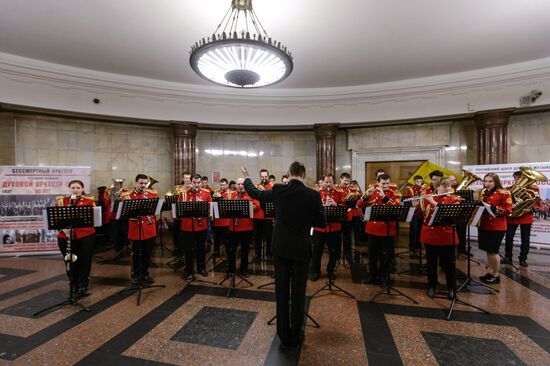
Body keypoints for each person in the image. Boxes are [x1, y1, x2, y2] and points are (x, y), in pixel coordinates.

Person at [243, 162, 326, 351]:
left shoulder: (278, 189)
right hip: (301, 249)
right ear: (304, 175)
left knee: (281, 291)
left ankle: (283, 334)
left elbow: (256, 193)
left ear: (289, 174)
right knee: (298, 292)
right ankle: (295, 335)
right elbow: (321, 221)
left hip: (280, 249)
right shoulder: (313, 195)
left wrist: (247, 177)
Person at [420, 178, 461, 298]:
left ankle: (451, 288)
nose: (447, 188)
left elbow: (449, 213)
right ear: (437, 187)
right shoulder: (428, 198)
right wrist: (415, 203)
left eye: (448, 186)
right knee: (431, 264)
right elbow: (420, 215)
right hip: (430, 235)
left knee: (449, 264)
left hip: (447, 235)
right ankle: (432, 286)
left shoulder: (454, 199)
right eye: (444, 186)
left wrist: (433, 202)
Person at [357, 173, 401, 284]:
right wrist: (366, 196)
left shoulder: (395, 194)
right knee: (372, 255)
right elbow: (359, 205)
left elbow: (396, 207)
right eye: (383, 183)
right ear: (378, 183)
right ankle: (372, 275)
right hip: (373, 229)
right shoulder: (372, 192)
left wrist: (384, 197)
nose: (386, 185)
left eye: (387, 183)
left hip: (387, 230)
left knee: (385, 256)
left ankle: (383, 276)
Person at [56, 180, 96, 295]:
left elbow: (93, 218)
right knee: (69, 260)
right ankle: (73, 283)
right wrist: (63, 229)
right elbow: (56, 218)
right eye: (73, 187)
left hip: (85, 234)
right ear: (69, 189)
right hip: (66, 235)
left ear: (82, 189)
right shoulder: (62, 201)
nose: (75, 190)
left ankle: (83, 284)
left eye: (78, 187)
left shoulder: (89, 201)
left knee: (84, 260)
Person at [121, 174, 158, 285]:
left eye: (145, 183)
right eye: (141, 183)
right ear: (136, 183)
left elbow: (156, 210)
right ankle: (136, 275)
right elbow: (123, 213)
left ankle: (145, 273)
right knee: (136, 253)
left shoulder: (152, 194)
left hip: (149, 227)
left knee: (147, 253)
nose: (143, 185)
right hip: (135, 227)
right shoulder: (127, 196)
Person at [478, 173, 512, 284]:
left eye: (490, 181)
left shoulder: (504, 192)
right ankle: (491, 272)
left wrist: (492, 208)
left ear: (496, 182)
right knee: (488, 251)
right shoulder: (483, 192)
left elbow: (508, 210)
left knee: (493, 251)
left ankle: (496, 275)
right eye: (485, 181)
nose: (487, 184)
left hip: (497, 226)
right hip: (484, 225)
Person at [311, 174, 345, 281]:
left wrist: (336, 205)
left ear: (333, 182)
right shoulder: (317, 193)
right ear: (323, 182)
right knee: (317, 251)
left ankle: (330, 271)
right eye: (326, 182)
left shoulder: (339, 192)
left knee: (334, 251)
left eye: (330, 182)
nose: (328, 184)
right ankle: (316, 271)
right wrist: (321, 207)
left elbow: (344, 207)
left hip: (334, 228)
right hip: (319, 228)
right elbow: (311, 208)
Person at [503, 170, 539, 267]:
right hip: (513, 216)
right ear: (513, 178)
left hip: (526, 217)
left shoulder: (533, 190)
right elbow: (506, 202)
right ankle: (508, 257)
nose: (517, 180)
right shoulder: (508, 189)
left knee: (525, 239)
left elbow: (536, 202)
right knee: (509, 237)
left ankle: (523, 259)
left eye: (520, 178)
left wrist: (530, 208)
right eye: (516, 178)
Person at [179, 174, 212, 278]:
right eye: (195, 183)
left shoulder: (206, 193)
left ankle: (201, 268)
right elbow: (179, 210)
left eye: (198, 183)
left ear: (201, 183)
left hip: (201, 226)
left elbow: (210, 210)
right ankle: (188, 269)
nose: (197, 185)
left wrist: (203, 205)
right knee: (188, 249)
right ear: (191, 182)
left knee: (201, 248)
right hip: (187, 226)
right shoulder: (183, 193)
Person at [226, 178, 259, 275]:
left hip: (247, 227)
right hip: (233, 227)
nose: (240, 186)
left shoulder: (251, 194)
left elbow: (257, 205)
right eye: (238, 184)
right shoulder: (230, 195)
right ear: (235, 185)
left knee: (245, 250)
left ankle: (243, 269)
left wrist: (253, 206)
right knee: (231, 250)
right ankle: (231, 269)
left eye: (242, 184)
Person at [253, 168, 273, 261]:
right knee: (257, 237)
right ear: (260, 177)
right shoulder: (256, 186)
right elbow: (253, 199)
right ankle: (257, 254)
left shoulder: (272, 187)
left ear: (268, 177)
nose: (264, 179)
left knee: (269, 236)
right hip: (257, 215)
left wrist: (264, 190)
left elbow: (272, 200)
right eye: (262, 177)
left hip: (268, 216)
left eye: (265, 177)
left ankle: (269, 254)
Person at [211, 178, 231, 258]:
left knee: (226, 239)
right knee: (216, 238)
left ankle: (228, 253)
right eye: (221, 185)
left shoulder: (230, 193)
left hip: (225, 220)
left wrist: (221, 197)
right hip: (217, 219)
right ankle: (216, 252)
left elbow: (229, 205)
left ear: (227, 185)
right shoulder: (217, 192)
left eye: (224, 185)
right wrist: (213, 198)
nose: (222, 186)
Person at [406, 175, 425, 258]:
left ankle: (418, 245)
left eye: (420, 181)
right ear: (414, 182)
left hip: (421, 212)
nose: (419, 183)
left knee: (420, 229)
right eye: (417, 181)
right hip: (413, 212)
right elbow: (411, 200)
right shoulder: (410, 189)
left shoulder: (424, 189)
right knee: (413, 229)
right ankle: (412, 246)